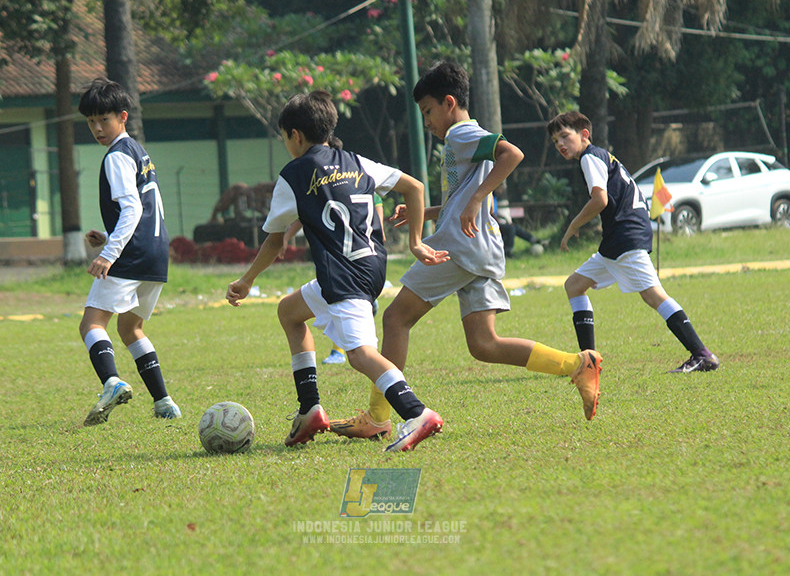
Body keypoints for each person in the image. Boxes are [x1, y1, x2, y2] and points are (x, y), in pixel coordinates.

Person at [330, 62, 602, 441]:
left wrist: (476, 198)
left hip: (460, 246)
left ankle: (378, 416)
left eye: (427, 111)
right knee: (483, 344)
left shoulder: (461, 133)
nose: (426, 120)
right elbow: (464, 196)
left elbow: (513, 154)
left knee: (395, 320)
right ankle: (578, 363)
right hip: (482, 248)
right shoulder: (460, 140)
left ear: (449, 102)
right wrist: (427, 212)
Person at [226, 91, 450, 452]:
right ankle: (310, 408)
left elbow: (274, 241)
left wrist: (246, 280)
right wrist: (415, 241)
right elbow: (415, 186)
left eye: (284, 137)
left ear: (296, 135)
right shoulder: (357, 161)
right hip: (371, 266)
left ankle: (417, 413)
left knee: (360, 355)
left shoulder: (294, 174)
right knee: (289, 312)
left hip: (343, 275)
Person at [547, 110, 719, 373]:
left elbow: (599, 200)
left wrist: (574, 224)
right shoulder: (601, 156)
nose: (559, 144)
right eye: (555, 140)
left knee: (653, 296)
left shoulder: (590, 158)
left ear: (584, 135)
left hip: (626, 236)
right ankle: (589, 361)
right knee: (574, 285)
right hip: (619, 239)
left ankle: (702, 354)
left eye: (564, 136)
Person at [77, 78, 181, 426]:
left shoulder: (116, 157)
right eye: (91, 121)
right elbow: (145, 210)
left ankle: (111, 382)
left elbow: (133, 209)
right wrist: (108, 237)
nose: (97, 128)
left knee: (91, 323)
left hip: (131, 255)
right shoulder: (138, 151)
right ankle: (164, 401)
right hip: (155, 254)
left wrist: (109, 254)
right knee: (131, 327)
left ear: (122, 116)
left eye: (103, 120)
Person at [276, 135, 385, 365]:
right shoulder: (357, 177)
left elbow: (378, 221)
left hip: (349, 268)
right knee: (289, 310)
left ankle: (410, 402)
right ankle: (311, 400)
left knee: (362, 355)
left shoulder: (350, 181)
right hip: (351, 266)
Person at [492, 184, 544, 257]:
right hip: (492, 225)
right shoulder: (490, 198)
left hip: (496, 223)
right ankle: (508, 251)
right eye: (500, 189)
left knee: (514, 227)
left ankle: (534, 240)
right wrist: (498, 222)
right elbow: (491, 214)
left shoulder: (495, 198)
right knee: (511, 228)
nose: (501, 191)